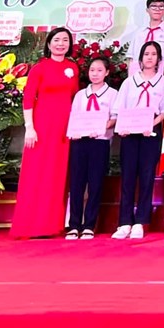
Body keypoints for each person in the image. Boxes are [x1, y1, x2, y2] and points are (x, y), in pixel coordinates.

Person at [10, 27, 79, 239]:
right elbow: (28, 99)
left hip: (64, 129)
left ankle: (51, 225)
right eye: (56, 40)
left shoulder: (72, 68)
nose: (61, 44)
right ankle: (30, 225)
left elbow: (75, 98)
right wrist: (29, 127)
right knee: (36, 174)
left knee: (57, 175)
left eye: (65, 40)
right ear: (49, 44)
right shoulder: (39, 68)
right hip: (41, 127)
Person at [112, 40, 164, 240]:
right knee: (128, 177)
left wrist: (152, 123)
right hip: (129, 133)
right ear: (140, 58)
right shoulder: (129, 82)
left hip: (150, 133)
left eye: (153, 54)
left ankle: (140, 222)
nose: (149, 57)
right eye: (146, 54)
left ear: (159, 59)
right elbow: (119, 108)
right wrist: (122, 127)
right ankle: (124, 222)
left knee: (146, 177)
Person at [65, 57, 118, 240]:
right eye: (92, 70)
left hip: (100, 142)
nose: (95, 74)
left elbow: (115, 117)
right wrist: (74, 132)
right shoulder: (81, 95)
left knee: (95, 184)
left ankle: (89, 225)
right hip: (79, 141)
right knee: (77, 184)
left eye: (99, 70)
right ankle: (74, 225)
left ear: (107, 72)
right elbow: (73, 116)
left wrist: (102, 126)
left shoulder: (112, 94)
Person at [125, 0, 164, 77]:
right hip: (136, 74)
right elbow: (130, 57)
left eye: (161, 7)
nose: (157, 9)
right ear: (147, 10)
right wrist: (131, 77)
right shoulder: (139, 32)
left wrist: (161, 74)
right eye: (154, 6)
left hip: (158, 74)